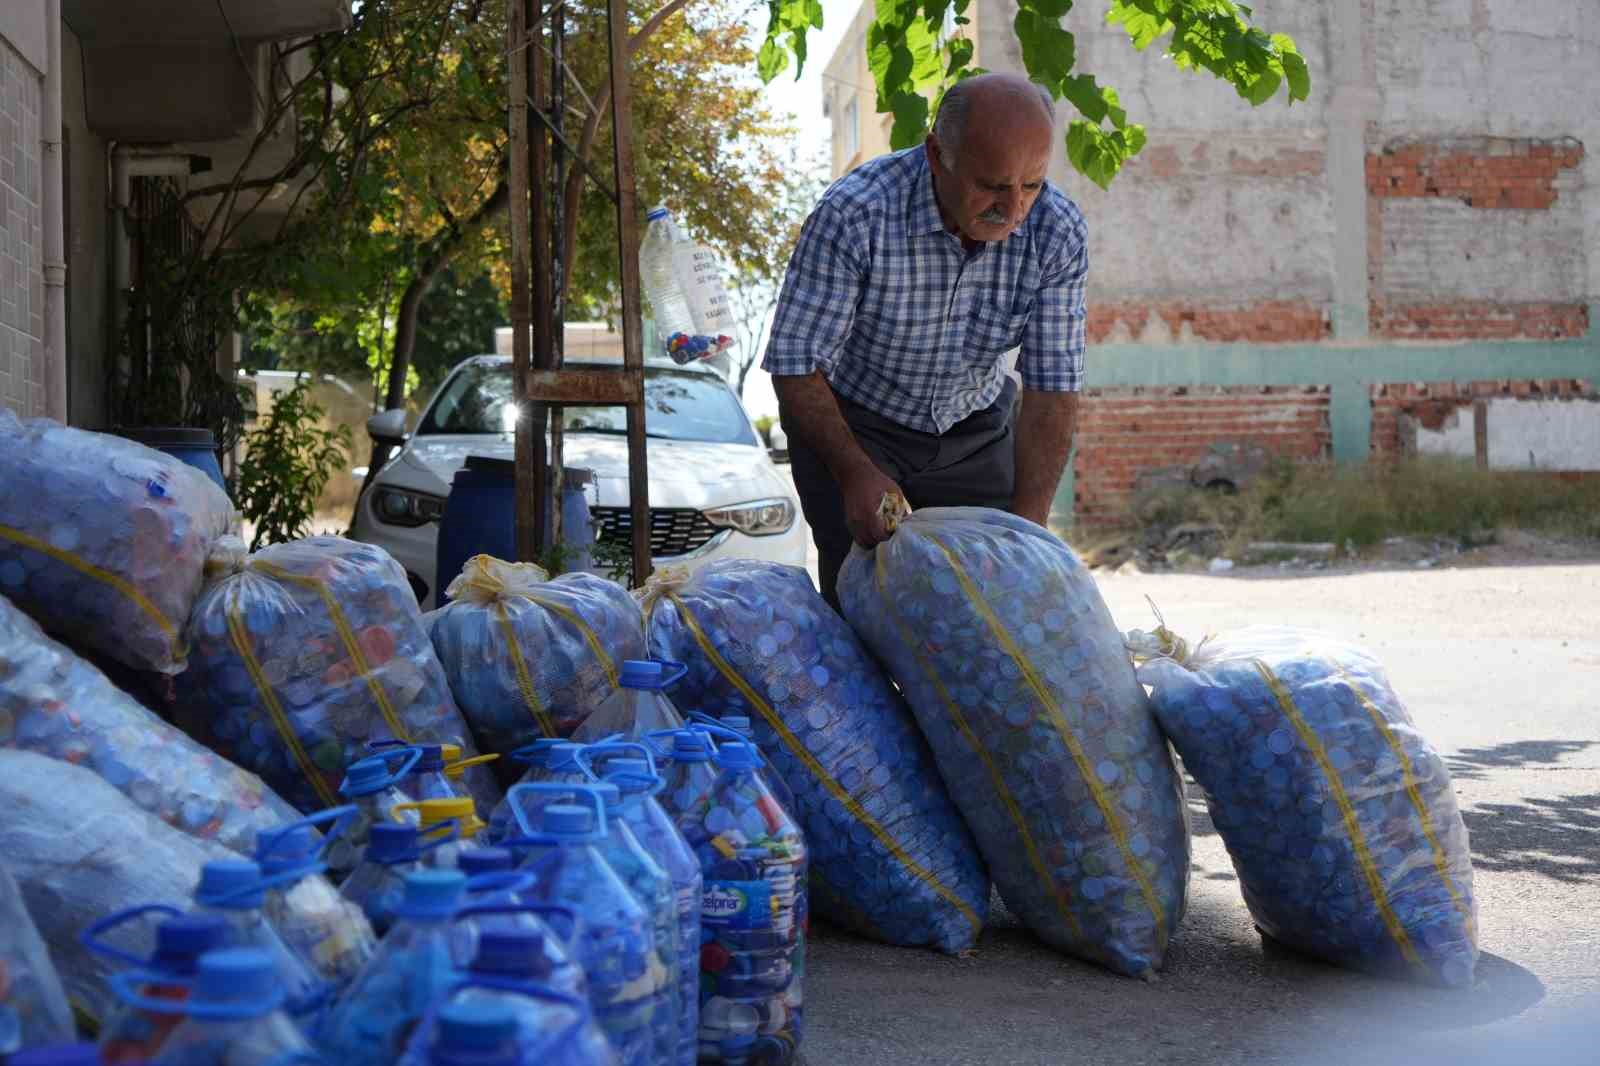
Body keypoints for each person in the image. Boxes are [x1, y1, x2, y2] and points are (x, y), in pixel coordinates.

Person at [763, 73, 1089, 609]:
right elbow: (797, 363)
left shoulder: (1057, 229)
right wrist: (854, 472)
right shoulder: (855, 213)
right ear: (938, 155)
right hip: (856, 426)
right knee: (863, 612)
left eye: (1029, 186)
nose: (1012, 212)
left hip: (976, 429)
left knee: (994, 609)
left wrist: (1029, 531)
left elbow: (1053, 389)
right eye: (991, 185)